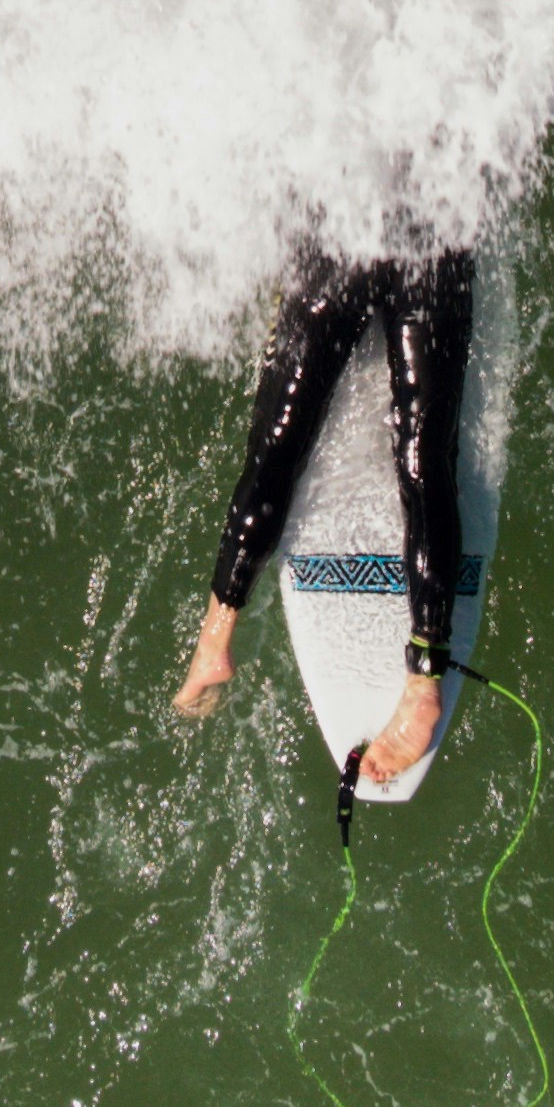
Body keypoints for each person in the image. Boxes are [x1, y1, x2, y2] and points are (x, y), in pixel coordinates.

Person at [172, 244, 473, 783]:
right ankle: (422, 679)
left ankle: (217, 633)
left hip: (361, 228)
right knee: (414, 454)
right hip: (413, 236)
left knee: (290, 444)